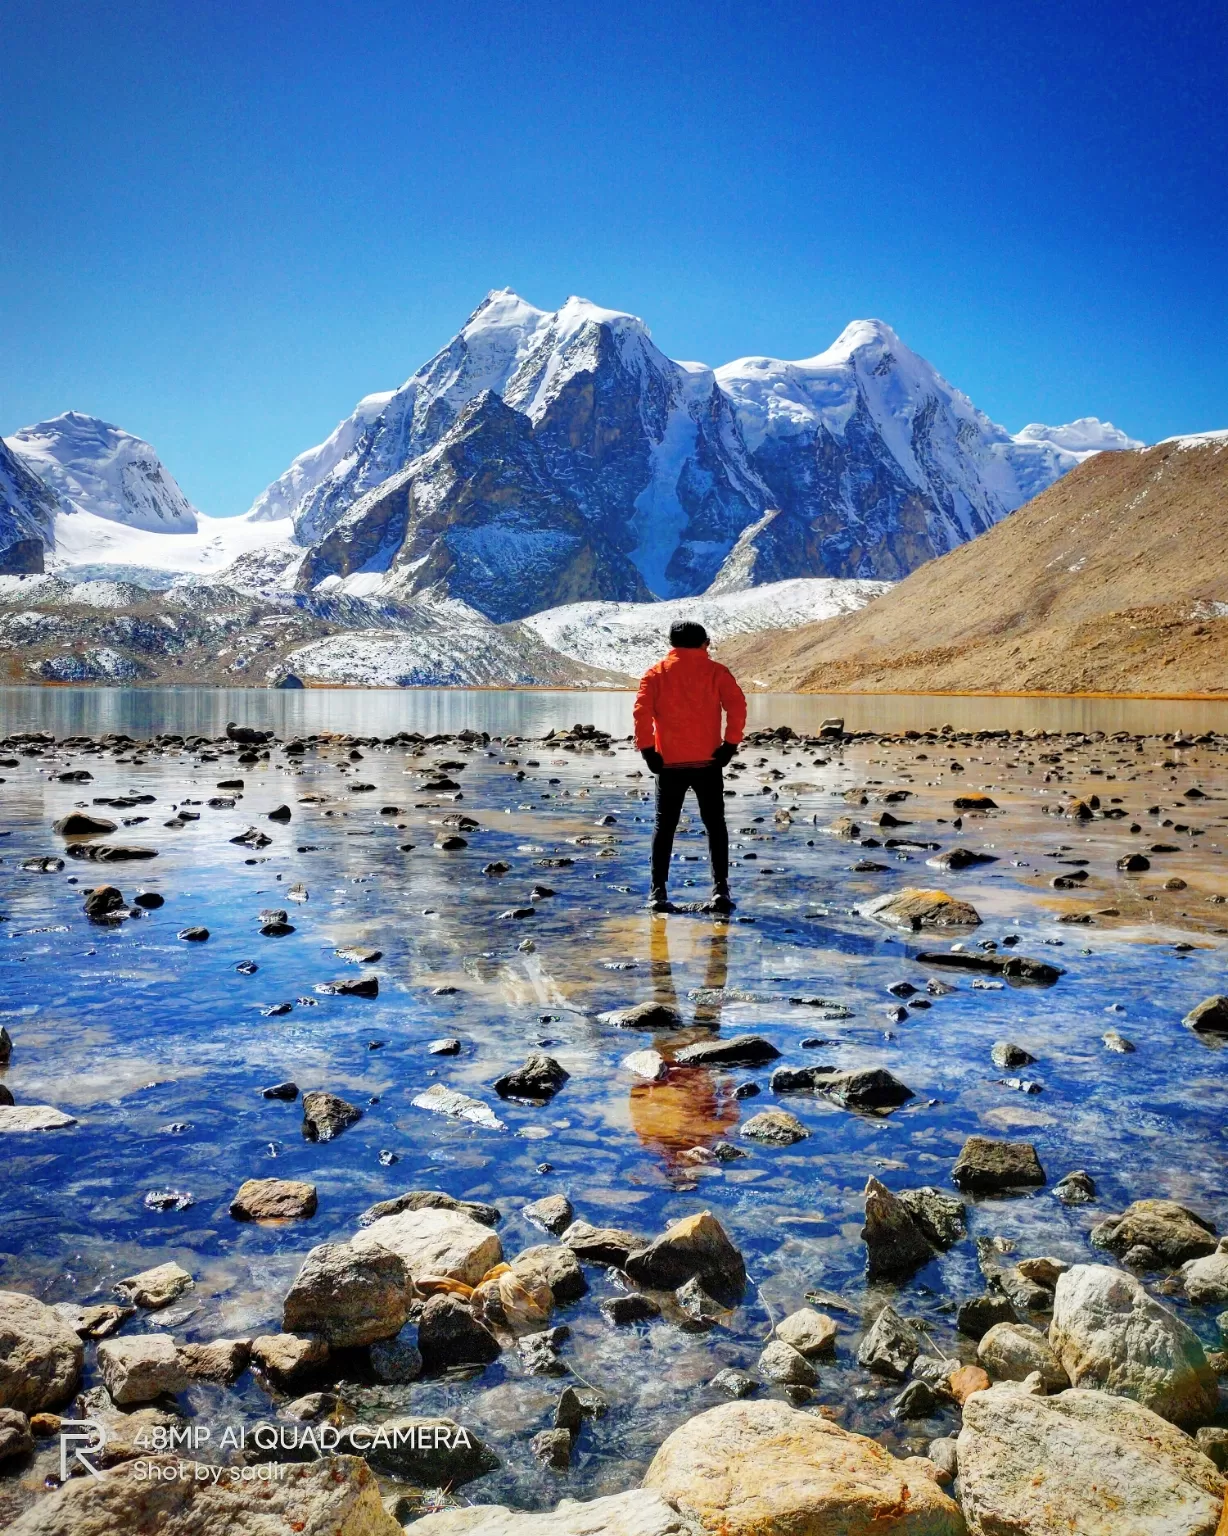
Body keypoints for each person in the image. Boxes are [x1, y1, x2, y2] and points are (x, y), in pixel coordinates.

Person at [633, 619, 747, 914]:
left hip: (669, 763)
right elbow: (737, 706)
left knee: (664, 826)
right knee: (715, 824)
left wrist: (648, 750)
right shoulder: (716, 672)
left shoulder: (655, 674)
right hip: (708, 761)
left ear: (672, 645)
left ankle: (658, 894)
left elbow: (641, 713)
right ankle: (720, 890)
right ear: (704, 643)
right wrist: (730, 745)